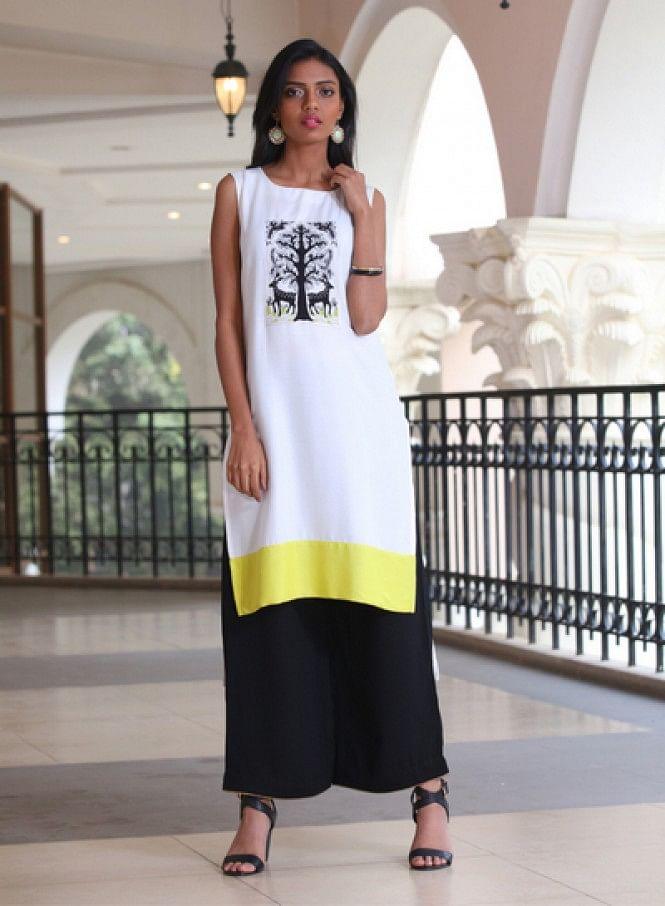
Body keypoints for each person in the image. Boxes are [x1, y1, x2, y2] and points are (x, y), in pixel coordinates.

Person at [210, 37, 453, 875]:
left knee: (385, 618)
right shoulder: (240, 192)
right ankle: (256, 809)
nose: (310, 105)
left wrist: (364, 218)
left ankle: (428, 796)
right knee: (270, 624)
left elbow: (364, 319)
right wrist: (243, 429)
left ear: (342, 105)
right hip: (276, 440)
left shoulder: (364, 195)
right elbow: (228, 323)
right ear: (273, 109)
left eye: (325, 91)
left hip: (358, 440)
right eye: (293, 91)